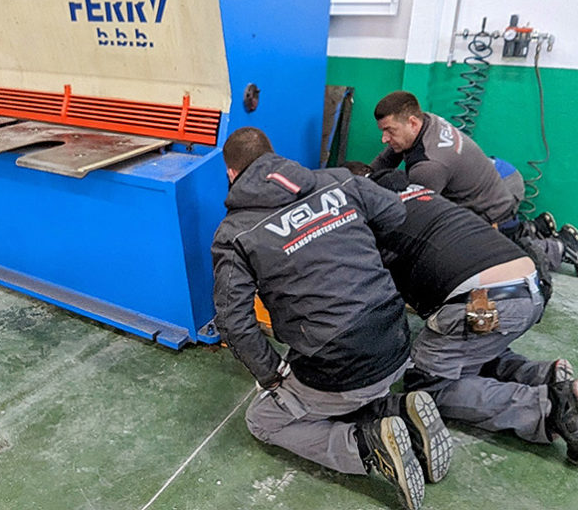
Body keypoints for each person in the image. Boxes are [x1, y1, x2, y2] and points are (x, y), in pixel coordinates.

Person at [211, 127, 452, 510]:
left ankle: (367, 448)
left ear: (230, 174)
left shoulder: (235, 234)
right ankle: (398, 410)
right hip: (396, 338)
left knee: (263, 418)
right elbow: (395, 211)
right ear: (276, 157)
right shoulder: (339, 180)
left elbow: (233, 320)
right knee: (325, 375)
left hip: (341, 362)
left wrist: (272, 374)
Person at [344, 161, 578, 465]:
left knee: (428, 386)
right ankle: (541, 375)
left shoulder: (371, 219)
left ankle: (549, 407)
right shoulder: (419, 193)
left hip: (485, 301)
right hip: (529, 286)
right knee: (464, 346)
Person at [369, 91, 578, 275]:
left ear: (413, 122)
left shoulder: (430, 165)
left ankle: (561, 247)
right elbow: (385, 161)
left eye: (389, 131)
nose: (384, 139)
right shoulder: (427, 122)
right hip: (493, 191)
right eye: (382, 131)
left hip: (491, 214)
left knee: (493, 261)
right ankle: (531, 229)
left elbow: (417, 218)